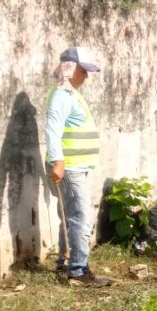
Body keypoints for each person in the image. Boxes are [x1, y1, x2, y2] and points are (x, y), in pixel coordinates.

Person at [45, 46, 111, 287]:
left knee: (70, 216)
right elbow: (52, 129)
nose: (86, 75)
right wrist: (58, 161)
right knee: (82, 217)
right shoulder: (62, 95)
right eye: (84, 70)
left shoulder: (71, 93)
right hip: (69, 167)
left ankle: (66, 261)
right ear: (71, 69)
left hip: (75, 166)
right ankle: (78, 271)